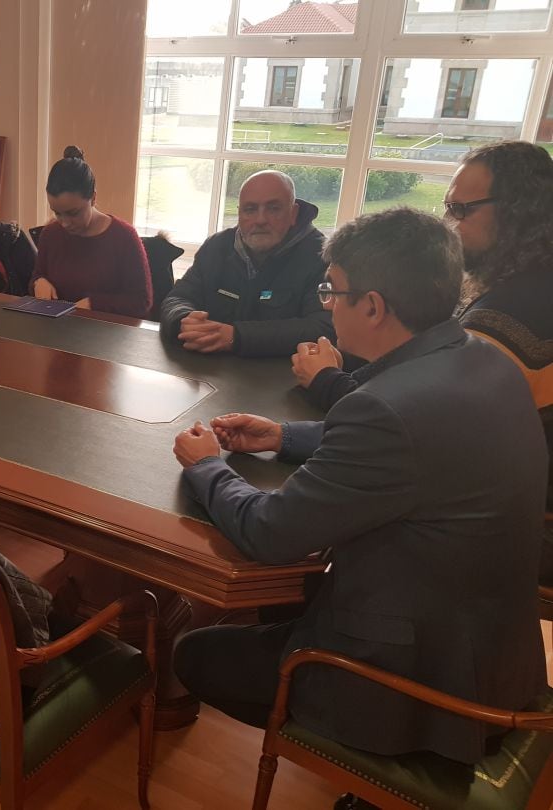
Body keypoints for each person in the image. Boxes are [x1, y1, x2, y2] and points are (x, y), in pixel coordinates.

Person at [171, 208, 547, 765]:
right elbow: (414, 444)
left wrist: (206, 466)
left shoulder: (384, 409)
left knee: (194, 653)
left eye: (332, 290)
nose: (327, 304)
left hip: (411, 684)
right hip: (490, 653)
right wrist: (282, 435)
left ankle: (374, 756)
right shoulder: (479, 357)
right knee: (283, 605)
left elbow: (269, 533)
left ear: (372, 306)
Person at [292, 141, 553, 577]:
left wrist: (324, 380)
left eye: (461, 210)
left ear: (517, 212)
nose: (449, 225)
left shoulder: (501, 325)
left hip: (507, 540)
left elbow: (409, 424)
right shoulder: (530, 289)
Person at [159, 170, 333, 357]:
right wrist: (184, 320)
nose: (260, 220)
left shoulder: (322, 257)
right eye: (250, 209)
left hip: (284, 376)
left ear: (293, 213)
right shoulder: (217, 247)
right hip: (209, 372)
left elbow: (323, 327)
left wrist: (237, 337)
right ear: (239, 213)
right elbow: (177, 298)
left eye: (273, 208)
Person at [30, 146, 152, 319]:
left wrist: (94, 304)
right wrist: (38, 282)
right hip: (57, 332)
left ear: (93, 198)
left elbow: (141, 302)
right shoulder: (50, 234)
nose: (64, 223)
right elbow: (38, 274)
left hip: (107, 336)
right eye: (57, 212)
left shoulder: (124, 237)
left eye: (73, 213)